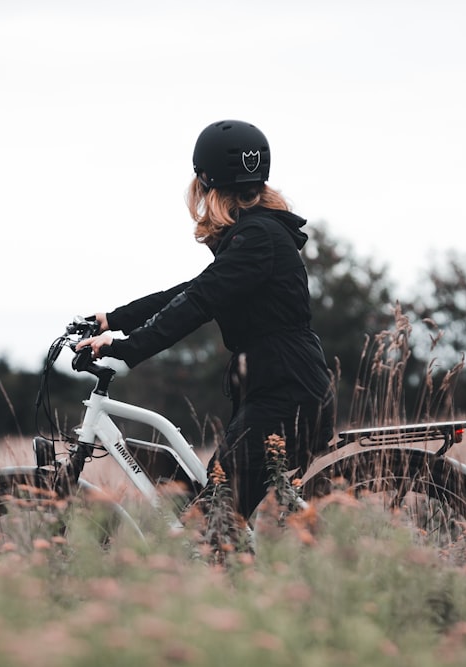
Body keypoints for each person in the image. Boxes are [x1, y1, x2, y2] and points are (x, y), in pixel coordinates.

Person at [77, 119, 335, 520]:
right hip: (279, 385)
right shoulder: (256, 236)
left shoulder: (258, 238)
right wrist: (111, 319)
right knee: (215, 512)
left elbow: (197, 302)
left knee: (213, 524)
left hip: (284, 392)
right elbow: (192, 290)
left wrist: (128, 350)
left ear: (204, 184)